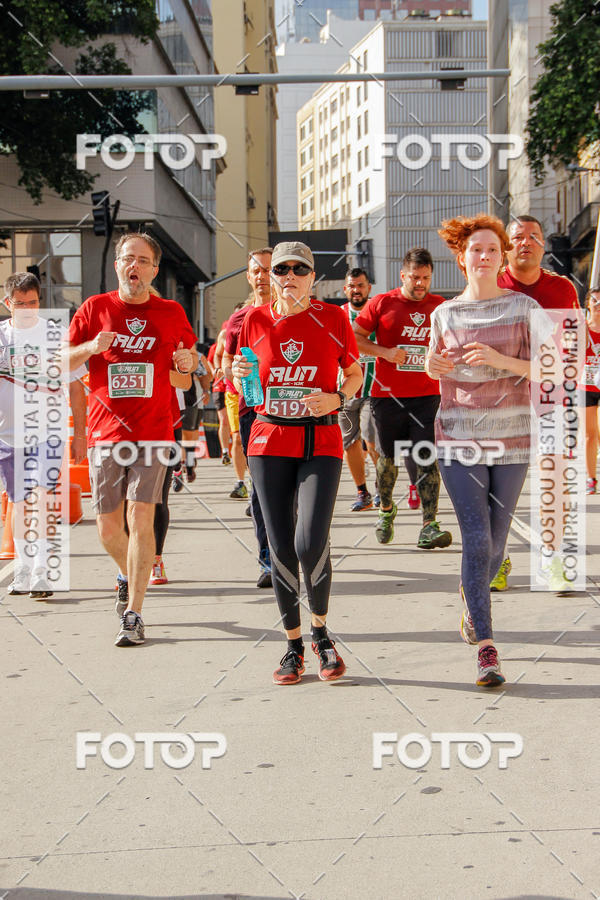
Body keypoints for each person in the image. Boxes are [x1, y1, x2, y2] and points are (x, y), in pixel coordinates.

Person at [427, 213, 552, 687]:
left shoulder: (524, 308)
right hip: (458, 438)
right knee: (477, 540)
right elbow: (434, 366)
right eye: (476, 249)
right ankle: (486, 647)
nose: (484, 256)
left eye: (492, 250)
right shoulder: (444, 314)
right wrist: (432, 366)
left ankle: (470, 599)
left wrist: (502, 360)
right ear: (462, 258)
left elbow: (554, 368)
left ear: (502, 259)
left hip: (513, 440)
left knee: (496, 547)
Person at [233, 241, 362, 684]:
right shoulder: (253, 320)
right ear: (271, 277)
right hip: (268, 441)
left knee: (309, 541)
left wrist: (337, 398)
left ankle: (321, 634)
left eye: (299, 269)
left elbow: (355, 373)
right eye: (281, 269)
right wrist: (239, 376)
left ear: (312, 277)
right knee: (281, 547)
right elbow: (247, 382)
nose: (289, 276)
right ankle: (293, 646)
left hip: (320, 440)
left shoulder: (333, 319)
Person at [66, 232, 197, 647]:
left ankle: (134, 613)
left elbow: (185, 373)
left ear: (154, 270)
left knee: (141, 518)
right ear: (117, 265)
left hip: (154, 432)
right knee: (108, 528)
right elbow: (61, 362)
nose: (134, 266)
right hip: (106, 433)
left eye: (142, 260)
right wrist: (91, 346)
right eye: (127, 259)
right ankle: (127, 572)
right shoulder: (94, 308)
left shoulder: (171, 312)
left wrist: (187, 362)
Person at [491, 214, 581, 592]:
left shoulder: (562, 288)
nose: (525, 242)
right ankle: (497, 558)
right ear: (506, 246)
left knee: (554, 478)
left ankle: (552, 558)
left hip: (550, 397)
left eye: (534, 236)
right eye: (517, 237)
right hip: (499, 400)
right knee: (499, 485)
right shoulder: (492, 285)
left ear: (544, 245)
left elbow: (573, 346)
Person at [353, 248, 452, 549]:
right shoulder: (382, 303)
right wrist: (385, 352)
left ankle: (429, 525)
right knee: (388, 459)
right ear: (403, 275)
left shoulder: (440, 306)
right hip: (388, 396)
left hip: (428, 395)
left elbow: (453, 344)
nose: (420, 284)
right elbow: (354, 337)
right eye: (415, 278)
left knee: (426, 457)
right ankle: (386, 510)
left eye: (426, 278)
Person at [1, 272, 86, 598]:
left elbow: (76, 388)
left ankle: (41, 572)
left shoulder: (56, 335)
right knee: (19, 503)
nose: (27, 309)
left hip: (47, 433)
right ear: (7, 303)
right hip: (7, 436)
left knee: (41, 497)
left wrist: (80, 435)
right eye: (20, 303)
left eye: (33, 303)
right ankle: (23, 568)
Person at [223, 249, 274, 588]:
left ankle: (300, 548)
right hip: (253, 411)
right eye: (256, 271)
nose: (262, 276)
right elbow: (226, 360)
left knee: (294, 489)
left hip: (294, 411)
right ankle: (268, 560)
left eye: (268, 270)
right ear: (248, 276)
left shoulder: (297, 313)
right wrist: (236, 377)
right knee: (261, 488)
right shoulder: (239, 319)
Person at [339, 268, 380, 510]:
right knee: (349, 443)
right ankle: (362, 492)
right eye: (352, 286)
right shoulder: (338, 315)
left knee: (371, 439)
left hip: (374, 388)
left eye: (361, 285)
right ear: (345, 289)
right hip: (344, 390)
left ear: (368, 288)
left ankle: (381, 488)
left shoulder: (378, 311)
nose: (356, 290)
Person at [579, 286, 600, 493]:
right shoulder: (582, 329)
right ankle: (591, 478)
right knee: (590, 435)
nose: (599, 305)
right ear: (588, 304)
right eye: (595, 301)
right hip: (585, 386)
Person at [208, 326, 232, 465]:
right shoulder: (215, 347)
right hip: (219, 387)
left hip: (234, 386)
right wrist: (215, 371)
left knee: (233, 420)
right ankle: (225, 452)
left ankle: (239, 449)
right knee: (224, 420)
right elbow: (210, 360)